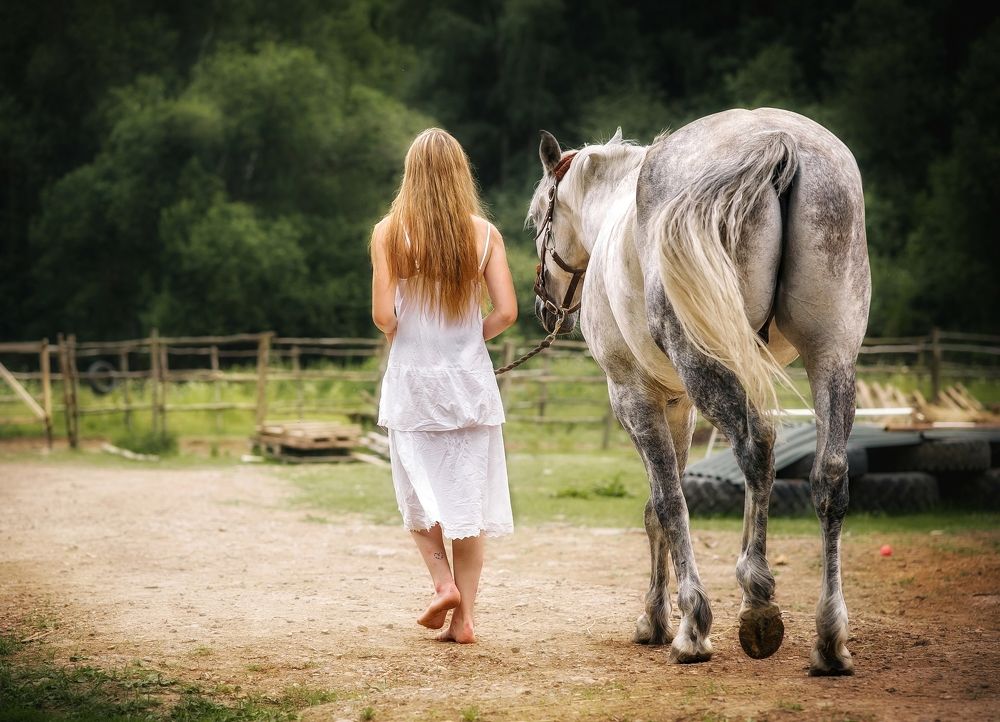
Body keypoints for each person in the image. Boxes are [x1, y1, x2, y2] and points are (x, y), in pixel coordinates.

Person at [370, 128, 518, 644]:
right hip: (470, 385)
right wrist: (467, 341)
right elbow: (507, 312)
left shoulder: (389, 233)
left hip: (413, 385)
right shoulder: (485, 235)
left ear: (411, 174)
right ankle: (465, 620)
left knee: (417, 492)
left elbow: (383, 316)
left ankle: (442, 583)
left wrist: (409, 333)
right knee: (466, 502)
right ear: (460, 174)